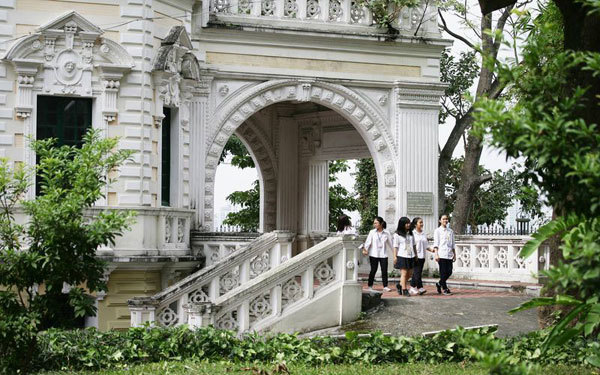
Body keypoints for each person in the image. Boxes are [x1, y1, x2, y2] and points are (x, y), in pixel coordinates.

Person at [364, 216, 393, 292]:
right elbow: (368, 242)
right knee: (373, 270)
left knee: (384, 270)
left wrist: (395, 253)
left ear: (381, 224)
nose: (374, 224)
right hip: (374, 254)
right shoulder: (372, 232)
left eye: (376, 223)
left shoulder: (387, 233)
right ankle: (370, 285)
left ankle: (385, 286)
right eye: (374, 223)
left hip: (383, 254)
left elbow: (391, 244)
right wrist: (365, 249)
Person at [393, 216, 417, 296]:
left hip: (411, 255)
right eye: (406, 223)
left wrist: (416, 254)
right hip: (402, 255)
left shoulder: (411, 233)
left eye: (409, 223)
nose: (408, 225)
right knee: (404, 273)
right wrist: (395, 256)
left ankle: (400, 285)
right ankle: (404, 289)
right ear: (402, 224)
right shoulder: (397, 234)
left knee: (410, 274)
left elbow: (413, 245)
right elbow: (395, 246)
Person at [409, 217, 433, 296]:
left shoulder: (423, 233)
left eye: (422, 222)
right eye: (420, 222)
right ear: (416, 224)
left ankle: (417, 287)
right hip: (415, 256)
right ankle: (415, 287)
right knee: (417, 272)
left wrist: (432, 250)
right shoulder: (412, 233)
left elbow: (426, 245)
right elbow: (410, 245)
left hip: (422, 256)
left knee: (417, 272)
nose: (422, 224)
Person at [433, 214, 456, 295]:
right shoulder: (437, 231)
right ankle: (445, 288)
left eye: (446, 219)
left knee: (449, 271)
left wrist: (454, 254)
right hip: (441, 254)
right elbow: (436, 243)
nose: (445, 220)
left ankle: (439, 283)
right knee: (443, 272)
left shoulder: (451, 231)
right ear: (440, 220)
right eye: (443, 219)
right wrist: (436, 254)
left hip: (449, 254)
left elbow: (453, 244)